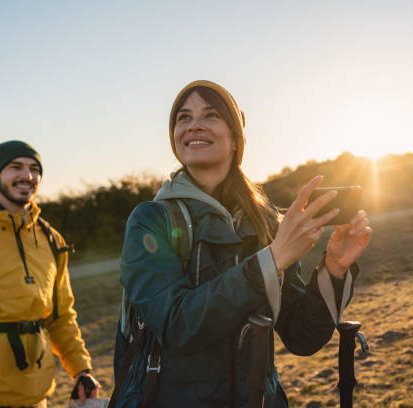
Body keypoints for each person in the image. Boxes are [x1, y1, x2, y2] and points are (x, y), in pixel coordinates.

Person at [114, 80, 372, 407]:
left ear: (236, 139)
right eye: (183, 117)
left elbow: (301, 337)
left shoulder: (264, 222)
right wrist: (270, 261)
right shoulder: (151, 220)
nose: (194, 125)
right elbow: (175, 326)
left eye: (210, 115)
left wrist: (333, 268)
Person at [0, 141, 101, 407]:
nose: (28, 176)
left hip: (37, 398)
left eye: (35, 169)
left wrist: (81, 370)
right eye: (16, 167)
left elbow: (61, 318)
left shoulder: (50, 239)